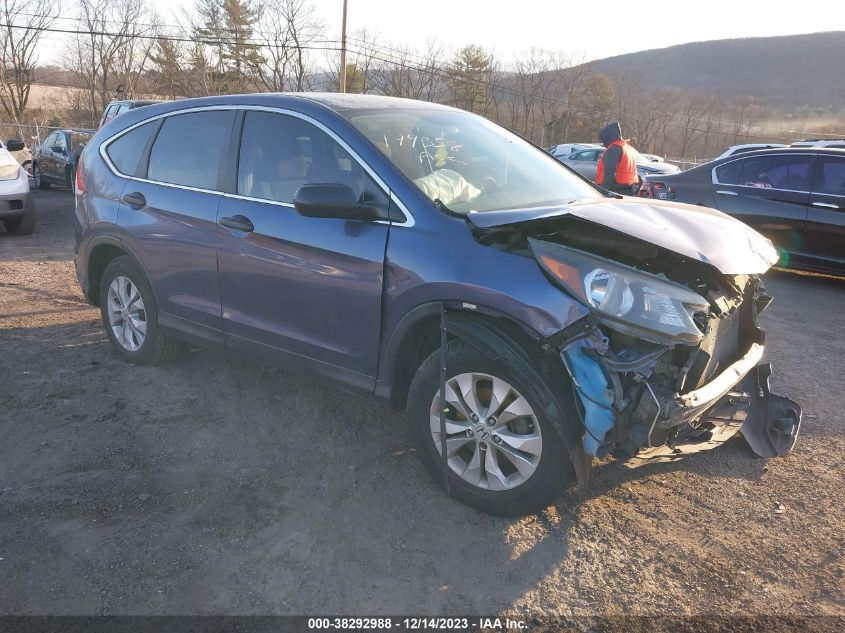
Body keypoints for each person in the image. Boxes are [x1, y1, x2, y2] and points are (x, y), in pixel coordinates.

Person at [595, 121, 640, 194]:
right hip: (629, 189)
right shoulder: (627, 148)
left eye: (603, 139)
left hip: (616, 191)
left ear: (607, 137)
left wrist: (602, 191)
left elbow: (609, 173)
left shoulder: (613, 149)